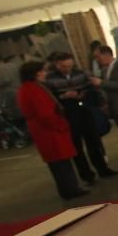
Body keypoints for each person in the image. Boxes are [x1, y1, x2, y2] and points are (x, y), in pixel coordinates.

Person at [44, 51, 118, 183]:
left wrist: (83, 95)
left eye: (69, 66)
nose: (67, 69)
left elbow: (92, 90)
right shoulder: (50, 79)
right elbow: (48, 98)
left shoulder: (81, 73)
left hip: (85, 110)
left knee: (94, 142)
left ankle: (103, 169)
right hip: (67, 113)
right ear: (56, 65)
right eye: (63, 67)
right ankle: (87, 176)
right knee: (76, 147)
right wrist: (63, 97)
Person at [17, 61, 89, 200]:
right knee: (61, 162)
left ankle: (67, 189)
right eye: (42, 71)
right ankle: (71, 189)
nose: (45, 74)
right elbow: (45, 114)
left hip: (42, 130)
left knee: (57, 163)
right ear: (36, 74)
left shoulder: (26, 88)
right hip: (49, 131)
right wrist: (60, 125)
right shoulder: (34, 89)